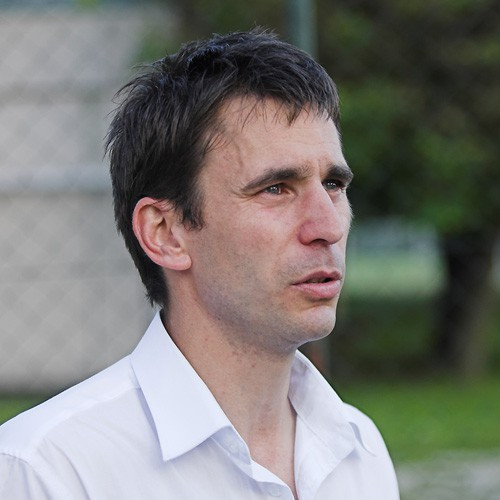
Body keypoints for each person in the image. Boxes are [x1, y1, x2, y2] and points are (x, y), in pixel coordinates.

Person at [0, 29, 399, 499]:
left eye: (333, 184)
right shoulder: (49, 471)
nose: (327, 226)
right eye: (275, 189)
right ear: (165, 233)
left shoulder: (358, 449)